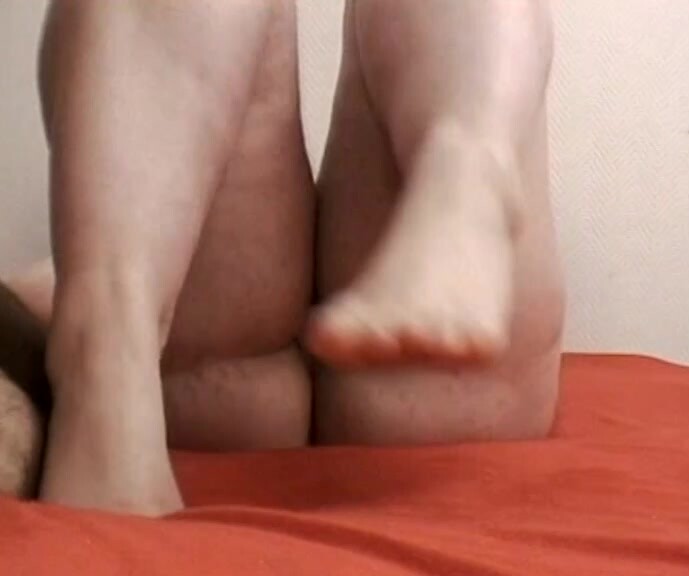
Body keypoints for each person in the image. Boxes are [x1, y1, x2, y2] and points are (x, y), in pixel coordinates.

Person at [0, 0, 564, 515]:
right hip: (434, 393)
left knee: (115, 301)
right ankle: (469, 173)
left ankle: (107, 345)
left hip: (209, 382)